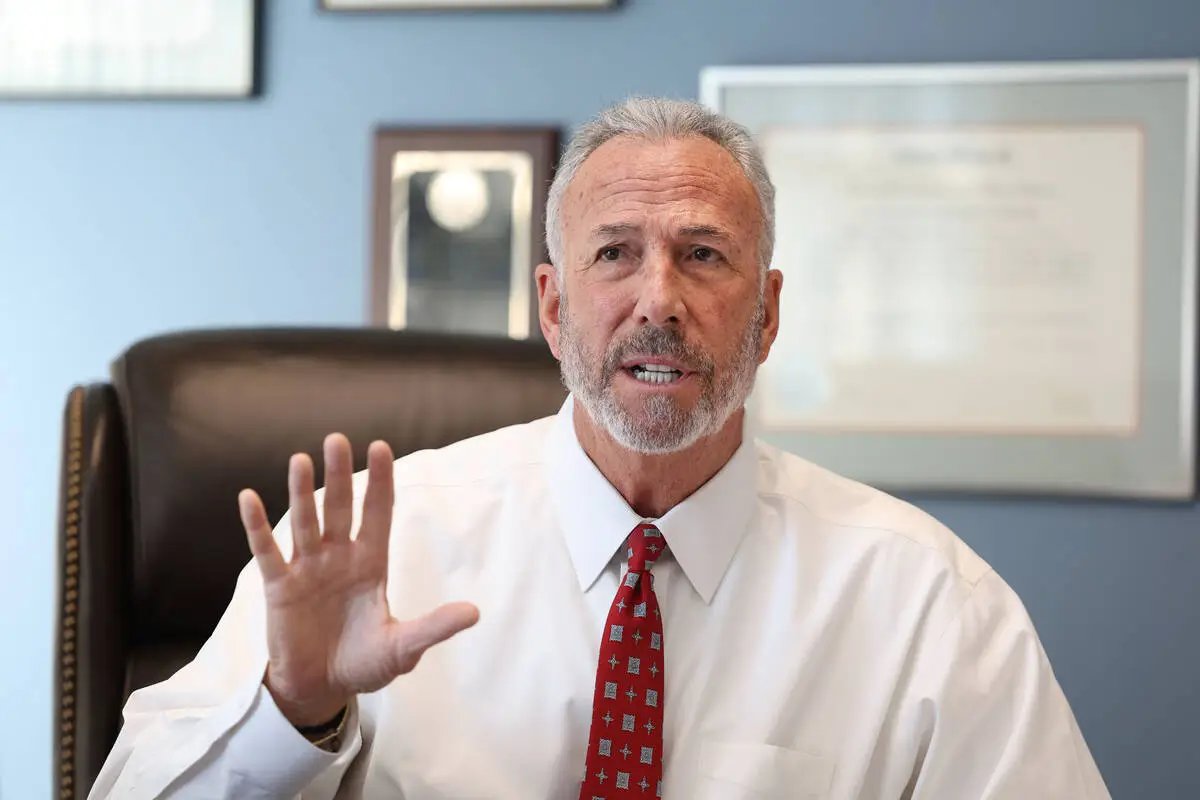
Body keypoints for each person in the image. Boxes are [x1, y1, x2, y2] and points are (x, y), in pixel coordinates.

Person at [90, 97, 1110, 799]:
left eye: (703, 255)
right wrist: (295, 711)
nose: (658, 300)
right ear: (553, 306)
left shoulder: (929, 603)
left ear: (767, 315)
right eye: (615, 253)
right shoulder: (373, 549)